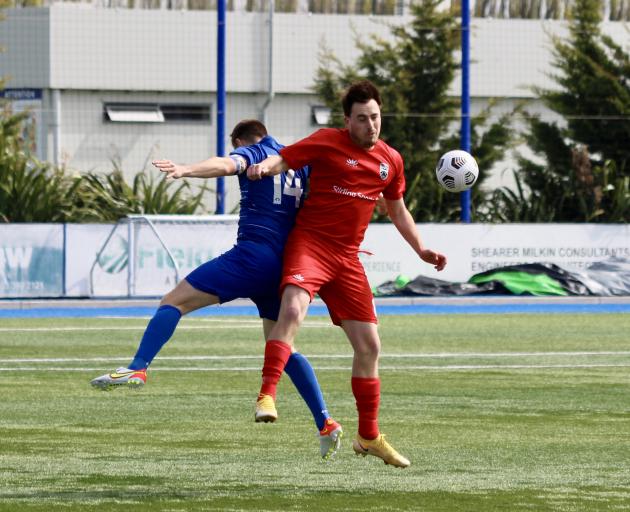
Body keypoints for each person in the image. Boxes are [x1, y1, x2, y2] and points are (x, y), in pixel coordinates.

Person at [90, 119, 343, 460]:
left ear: (240, 140)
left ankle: (138, 366)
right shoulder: (299, 161)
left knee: (173, 301)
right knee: (280, 345)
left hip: (252, 257)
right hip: (285, 266)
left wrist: (186, 170)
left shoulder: (254, 152)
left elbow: (226, 165)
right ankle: (325, 422)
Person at [247, 81, 447, 468]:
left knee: (370, 346)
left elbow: (397, 210)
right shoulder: (326, 141)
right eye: (362, 119)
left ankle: (368, 436)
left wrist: (421, 248)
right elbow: (285, 159)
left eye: (375, 117)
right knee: (292, 310)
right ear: (347, 120)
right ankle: (266, 395)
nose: (370, 125)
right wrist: (264, 168)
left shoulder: (391, 160)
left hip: (347, 260)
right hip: (311, 245)